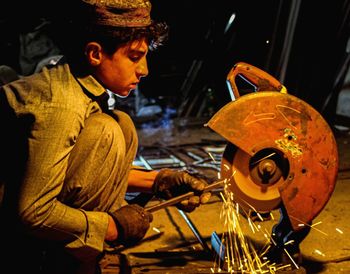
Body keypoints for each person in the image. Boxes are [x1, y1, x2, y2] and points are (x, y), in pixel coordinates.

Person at [0, 1, 212, 273]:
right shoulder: (62, 106)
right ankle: (63, 261)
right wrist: (111, 228)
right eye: (134, 57)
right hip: (11, 237)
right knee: (106, 132)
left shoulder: (80, 83)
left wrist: (157, 182)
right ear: (95, 53)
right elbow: (33, 212)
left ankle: (78, 252)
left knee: (120, 124)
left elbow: (73, 170)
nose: (144, 70)